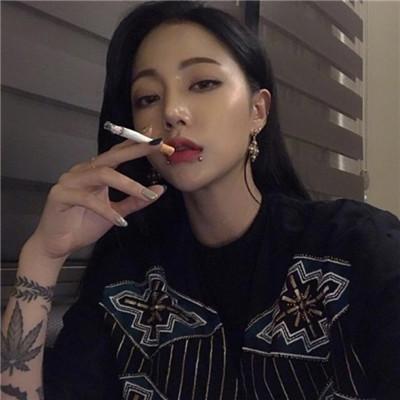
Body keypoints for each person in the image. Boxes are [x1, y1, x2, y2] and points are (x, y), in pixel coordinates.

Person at [1, 1, 399, 399]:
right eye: (147, 98)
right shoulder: (126, 280)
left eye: (203, 83)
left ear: (257, 111)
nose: (172, 113)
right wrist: (43, 256)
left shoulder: (355, 247)